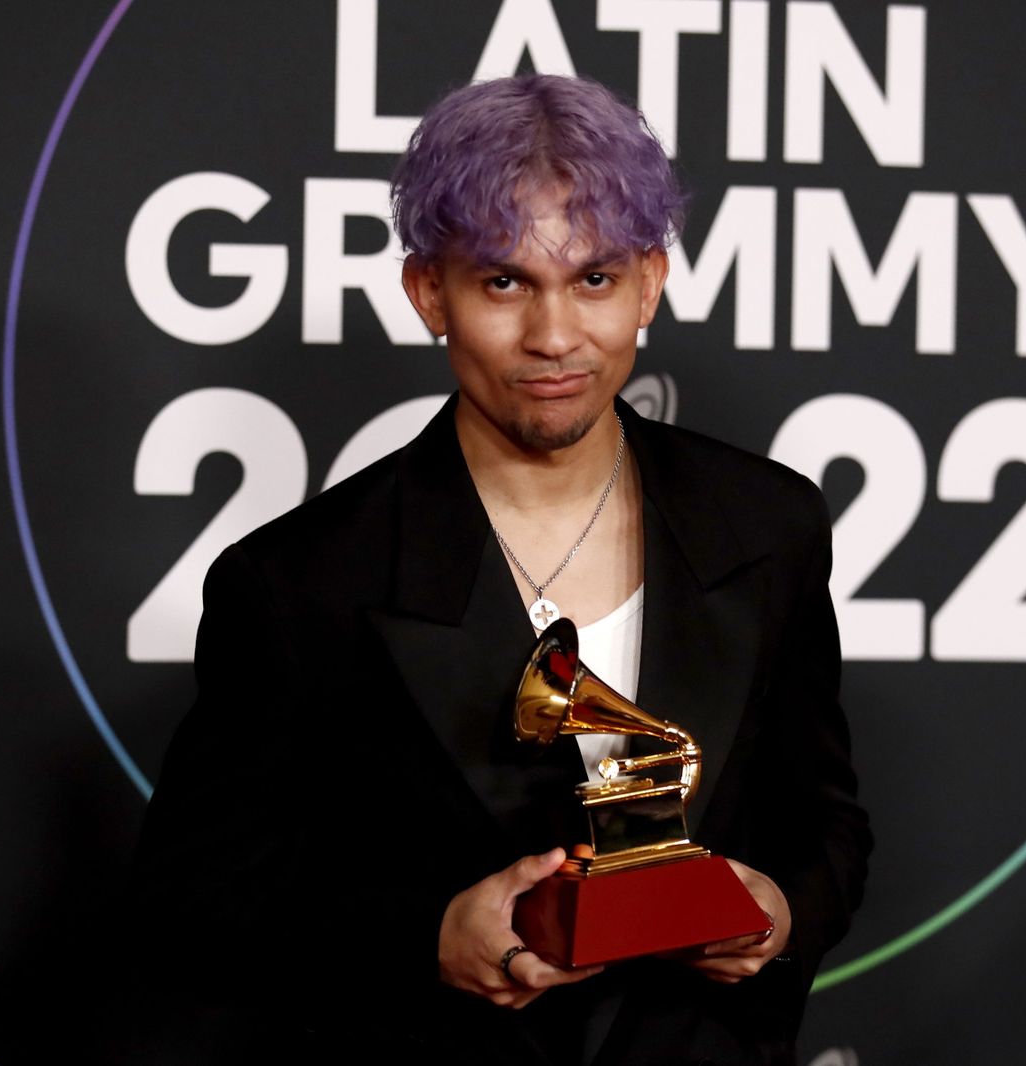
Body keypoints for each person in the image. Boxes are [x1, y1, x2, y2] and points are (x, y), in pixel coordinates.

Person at [131, 74, 870, 1065]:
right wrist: (426, 940)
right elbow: (197, 903)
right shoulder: (300, 582)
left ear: (651, 279)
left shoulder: (767, 523)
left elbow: (825, 824)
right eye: (504, 282)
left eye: (595, 279)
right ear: (429, 291)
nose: (554, 337)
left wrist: (780, 911)